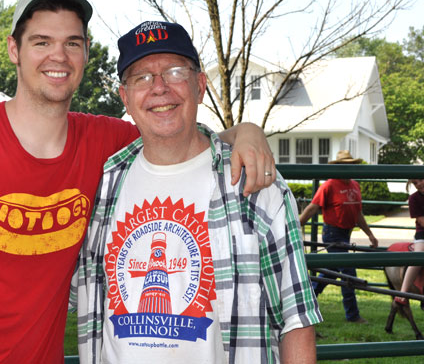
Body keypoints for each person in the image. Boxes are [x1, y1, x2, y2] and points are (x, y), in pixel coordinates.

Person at [0, 0, 275, 363]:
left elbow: (176, 137)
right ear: (14, 49)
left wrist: (246, 132)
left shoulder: (105, 143)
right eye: (41, 42)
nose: (58, 56)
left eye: (73, 43)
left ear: (85, 54)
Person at [75, 20, 321, 364]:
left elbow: (297, 319)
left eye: (175, 72)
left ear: (200, 85)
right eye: (142, 77)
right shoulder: (101, 186)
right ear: (125, 98)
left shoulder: (253, 185)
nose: (159, 88)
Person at [299, 149, 378, 324]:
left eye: (351, 165)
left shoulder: (354, 185)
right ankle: (353, 315)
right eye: (345, 165)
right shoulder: (329, 185)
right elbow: (313, 207)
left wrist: (370, 234)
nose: (348, 168)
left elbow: (358, 214)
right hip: (333, 233)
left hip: (346, 233)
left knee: (332, 272)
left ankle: (306, 302)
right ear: (339, 166)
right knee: (348, 272)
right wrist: (298, 224)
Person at [395, 178, 424, 305]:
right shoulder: (414, 199)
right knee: (418, 258)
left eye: (421, 180)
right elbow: (422, 222)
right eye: (415, 183)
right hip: (422, 234)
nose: (419, 184)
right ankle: (403, 292)